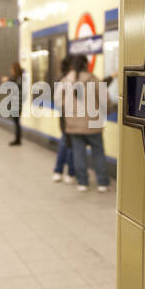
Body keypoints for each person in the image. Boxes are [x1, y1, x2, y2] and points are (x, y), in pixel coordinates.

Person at [59, 54, 110, 192]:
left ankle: (83, 182)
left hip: (73, 125)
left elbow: (59, 102)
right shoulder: (94, 80)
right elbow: (105, 102)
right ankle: (102, 183)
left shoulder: (66, 81)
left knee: (78, 153)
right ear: (86, 65)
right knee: (98, 152)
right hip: (93, 124)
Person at [51, 56, 76, 183]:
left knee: (65, 144)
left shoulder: (59, 79)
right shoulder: (70, 80)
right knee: (71, 145)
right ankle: (69, 173)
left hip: (64, 118)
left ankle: (59, 171)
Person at [1, 61, 22, 145]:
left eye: (12, 69)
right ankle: (17, 139)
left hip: (16, 103)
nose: (11, 71)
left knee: (16, 122)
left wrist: (7, 81)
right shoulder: (17, 78)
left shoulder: (18, 79)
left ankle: (17, 140)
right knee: (16, 122)